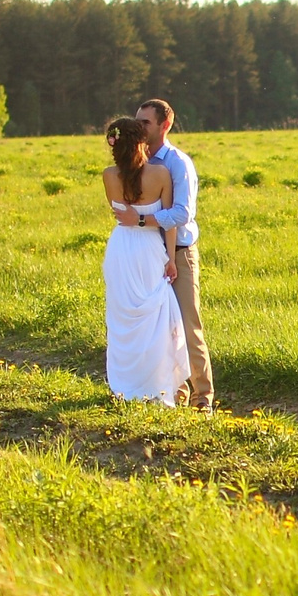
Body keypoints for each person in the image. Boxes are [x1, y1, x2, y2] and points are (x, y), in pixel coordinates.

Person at [114, 96, 214, 410]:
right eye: (137, 121)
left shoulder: (177, 163)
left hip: (180, 254)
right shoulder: (137, 164)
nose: (138, 127)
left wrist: (142, 220)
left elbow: (182, 213)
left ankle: (203, 400)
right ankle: (172, 393)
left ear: (164, 125)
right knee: (159, 329)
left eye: (145, 122)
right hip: (147, 256)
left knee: (187, 326)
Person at [98, 116, 188, 404]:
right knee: (153, 321)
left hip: (121, 248)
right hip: (149, 249)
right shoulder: (161, 174)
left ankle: (126, 386)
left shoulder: (109, 175)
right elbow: (168, 223)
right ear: (141, 143)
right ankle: (156, 386)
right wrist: (171, 259)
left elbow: (121, 212)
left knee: (123, 317)